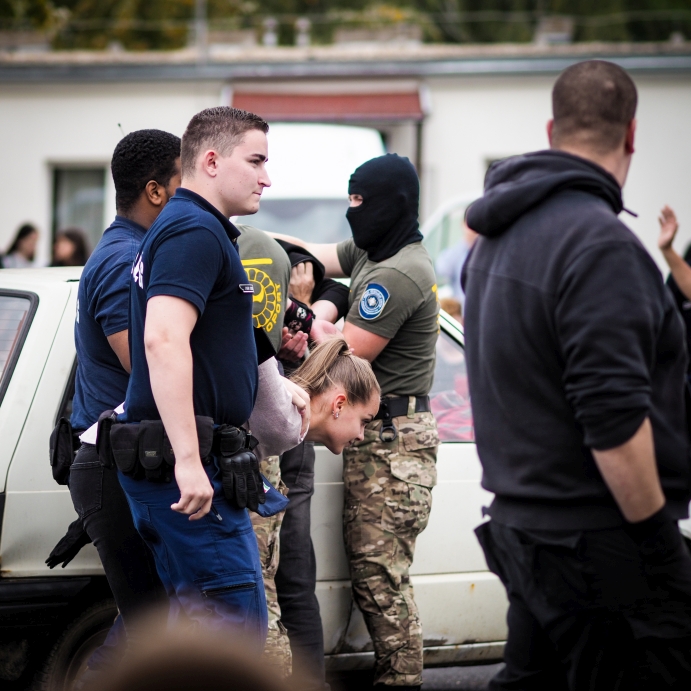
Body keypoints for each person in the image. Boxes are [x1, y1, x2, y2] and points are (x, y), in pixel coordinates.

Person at [462, 60, 691, 689]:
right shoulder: (602, 246)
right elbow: (613, 419)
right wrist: (658, 546)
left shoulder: (498, 237)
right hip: (597, 538)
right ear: (632, 134)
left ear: (552, 129)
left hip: (527, 527)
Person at [272, 153, 440, 691]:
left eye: (361, 201)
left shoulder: (398, 273)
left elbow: (342, 354)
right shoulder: (374, 249)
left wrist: (307, 306)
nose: (353, 211)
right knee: (371, 576)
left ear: (392, 204)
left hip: (394, 442)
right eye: (349, 200)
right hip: (373, 435)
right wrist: (245, 234)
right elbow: (314, 253)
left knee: (380, 581)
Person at [115, 107, 273, 644]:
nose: (266, 178)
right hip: (189, 470)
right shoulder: (193, 229)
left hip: (186, 464)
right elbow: (162, 339)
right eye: (255, 161)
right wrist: (188, 459)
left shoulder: (193, 226)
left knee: (192, 647)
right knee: (231, 645)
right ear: (210, 161)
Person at [47, 129, 182, 680]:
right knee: (149, 627)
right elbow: (147, 367)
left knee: (150, 622)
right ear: (155, 191)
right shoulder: (124, 260)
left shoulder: (131, 251)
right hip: (113, 464)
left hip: (123, 460)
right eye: (182, 183)